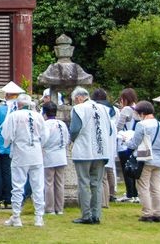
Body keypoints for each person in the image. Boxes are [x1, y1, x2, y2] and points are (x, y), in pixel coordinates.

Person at [2, 94, 47, 227]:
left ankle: (16, 216)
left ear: (19, 104)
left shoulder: (14, 116)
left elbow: (7, 135)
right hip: (36, 153)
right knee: (38, 187)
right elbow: (45, 136)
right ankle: (39, 217)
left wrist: (8, 143)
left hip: (20, 153)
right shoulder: (38, 116)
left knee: (17, 186)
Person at [69, 87, 112, 224]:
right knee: (96, 184)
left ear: (78, 98)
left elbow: (75, 129)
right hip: (101, 151)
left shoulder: (79, 109)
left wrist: (73, 139)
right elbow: (109, 130)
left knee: (83, 183)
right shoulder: (104, 109)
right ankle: (96, 215)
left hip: (83, 151)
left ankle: (86, 215)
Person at [124, 101, 160, 222]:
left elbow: (134, 143)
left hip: (145, 159)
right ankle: (158, 213)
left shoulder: (142, 125)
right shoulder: (159, 124)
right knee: (156, 187)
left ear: (141, 113)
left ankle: (147, 213)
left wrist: (125, 140)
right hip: (159, 159)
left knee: (143, 186)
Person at [41, 101, 69, 215]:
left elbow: (43, 140)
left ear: (44, 113)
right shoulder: (62, 124)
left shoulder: (46, 125)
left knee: (48, 183)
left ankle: (49, 208)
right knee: (59, 183)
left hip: (49, 155)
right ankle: (59, 208)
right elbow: (67, 139)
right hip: (61, 155)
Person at [92, 88, 117, 206]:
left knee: (100, 177)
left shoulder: (98, 112)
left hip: (101, 148)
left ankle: (102, 202)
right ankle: (106, 200)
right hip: (110, 148)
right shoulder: (112, 113)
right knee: (105, 176)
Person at [115, 87, 140, 203]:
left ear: (125, 99)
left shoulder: (126, 110)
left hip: (124, 143)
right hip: (135, 142)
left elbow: (118, 126)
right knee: (134, 168)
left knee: (126, 169)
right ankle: (135, 193)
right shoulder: (138, 108)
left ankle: (130, 194)